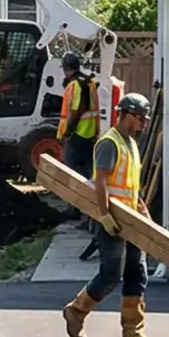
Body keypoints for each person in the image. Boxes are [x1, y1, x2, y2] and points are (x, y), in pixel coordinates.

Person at [62, 92, 160, 337]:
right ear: (127, 115)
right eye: (140, 119)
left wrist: (143, 214)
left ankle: (133, 332)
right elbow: (101, 181)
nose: (143, 124)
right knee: (111, 274)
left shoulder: (131, 144)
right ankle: (76, 311)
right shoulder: (110, 143)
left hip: (131, 221)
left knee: (136, 272)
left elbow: (132, 186)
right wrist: (105, 215)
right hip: (112, 221)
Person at [55, 50, 104, 261]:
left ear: (66, 69)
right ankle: (87, 212)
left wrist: (67, 132)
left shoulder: (75, 85)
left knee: (75, 175)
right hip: (89, 134)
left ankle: (78, 210)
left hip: (78, 136)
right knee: (86, 175)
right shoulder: (89, 83)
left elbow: (77, 110)